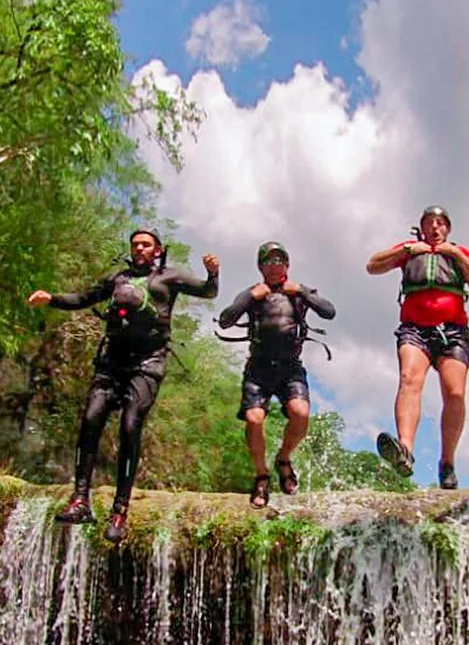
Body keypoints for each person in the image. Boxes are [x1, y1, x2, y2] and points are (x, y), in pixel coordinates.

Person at [28, 229, 220, 541]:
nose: (139, 248)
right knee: (91, 418)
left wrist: (213, 274)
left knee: (130, 426)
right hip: (112, 362)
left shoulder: (170, 277)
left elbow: (208, 292)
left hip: (147, 364)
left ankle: (120, 510)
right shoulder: (118, 278)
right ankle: (80, 500)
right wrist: (52, 299)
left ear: (157, 250)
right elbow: (85, 298)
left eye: (145, 244)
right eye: (135, 244)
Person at [365, 205, 469, 490]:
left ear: (447, 228)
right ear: (421, 227)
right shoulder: (409, 248)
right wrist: (407, 251)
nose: (435, 228)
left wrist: (455, 254)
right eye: (429, 223)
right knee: (409, 378)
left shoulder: (459, 253)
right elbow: (372, 265)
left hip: (453, 332)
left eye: (441, 223)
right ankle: (405, 450)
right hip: (414, 329)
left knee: (455, 392)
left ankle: (447, 462)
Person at [217, 241, 336, 508]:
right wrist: (250, 297)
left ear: (287, 265)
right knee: (254, 418)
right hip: (258, 367)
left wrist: (304, 292)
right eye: (269, 261)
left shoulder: (298, 293)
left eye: (279, 260)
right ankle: (261, 475)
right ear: (261, 266)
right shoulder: (252, 293)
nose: (275, 266)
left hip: (290, 367)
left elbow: (329, 312)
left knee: (301, 413)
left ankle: (283, 458)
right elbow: (225, 319)